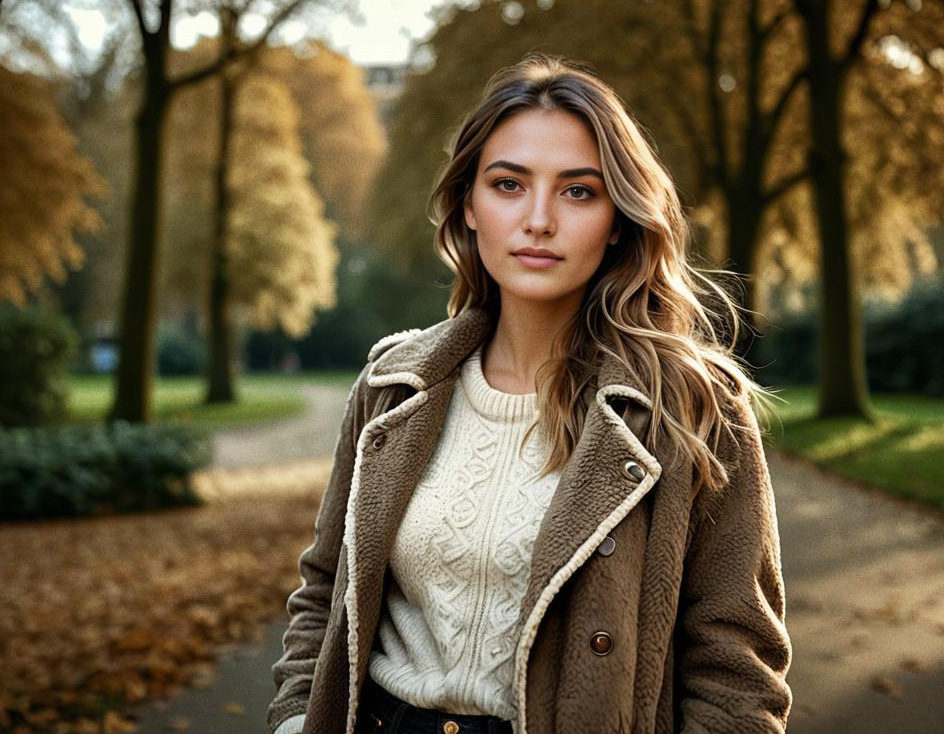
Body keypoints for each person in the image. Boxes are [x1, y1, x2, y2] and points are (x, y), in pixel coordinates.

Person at [266, 52, 792, 734]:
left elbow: (737, 671)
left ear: (618, 220)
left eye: (578, 191)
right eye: (509, 185)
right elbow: (323, 593)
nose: (538, 219)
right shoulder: (393, 386)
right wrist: (291, 722)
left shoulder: (690, 406)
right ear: (469, 206)